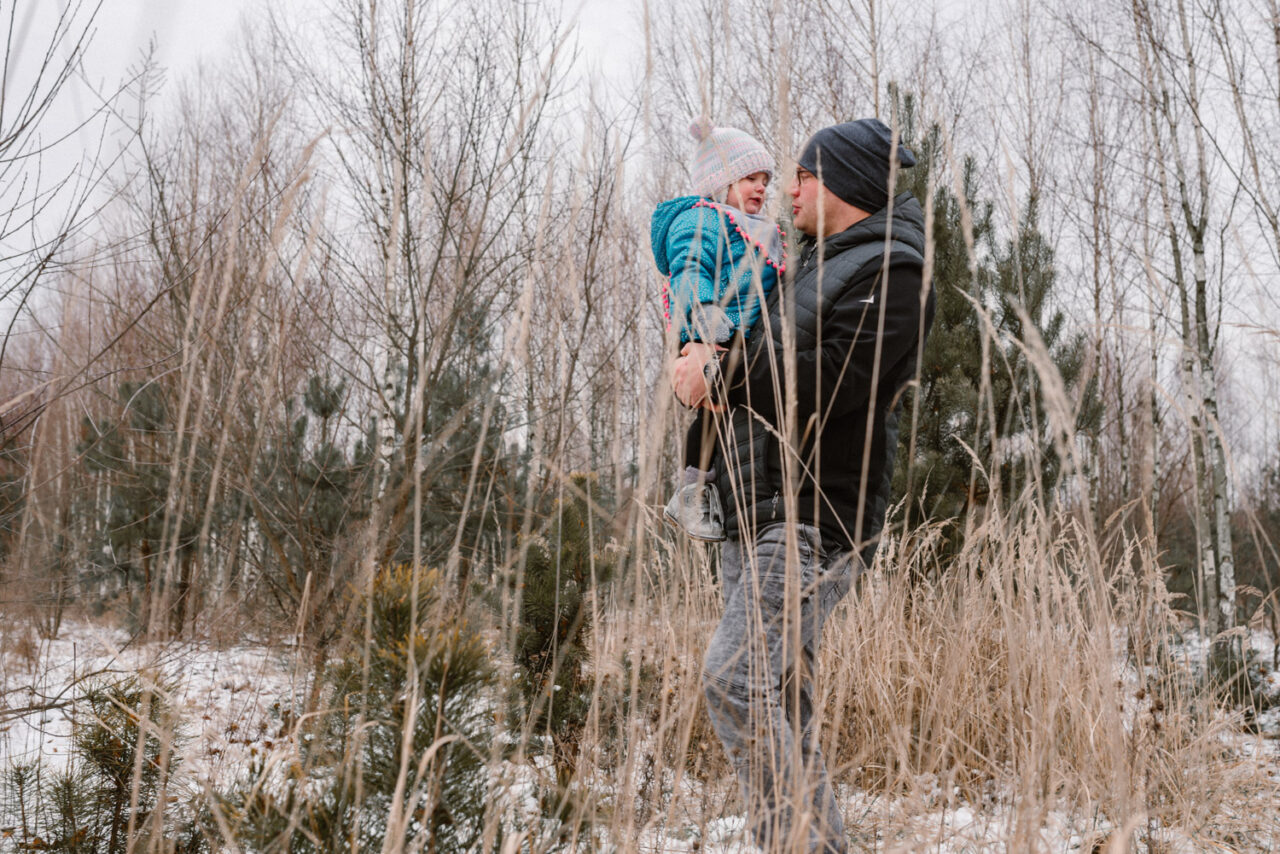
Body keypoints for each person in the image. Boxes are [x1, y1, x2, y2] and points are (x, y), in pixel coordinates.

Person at [671, 118, 935, 853]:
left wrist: (723, 374)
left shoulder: (894, 270)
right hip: (754, 511)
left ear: (843, 184)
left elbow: (835, 381)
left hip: (812, 516)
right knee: (780, 700)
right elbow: (758, 373)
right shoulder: (815, 266)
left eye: (802, 177)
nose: (786, 192)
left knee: (733, 680)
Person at [650, 119, 785, 542]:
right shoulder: (703, 218)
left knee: (729, 418)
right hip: (712, 330)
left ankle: (702, 489)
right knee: (711, 414)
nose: (760, 188)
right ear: (718, 182)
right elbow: (690, 268)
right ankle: (693, 489)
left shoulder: (759, 228)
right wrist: (703, 313)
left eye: (764, 179)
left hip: (746, 336)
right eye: (749, 178)